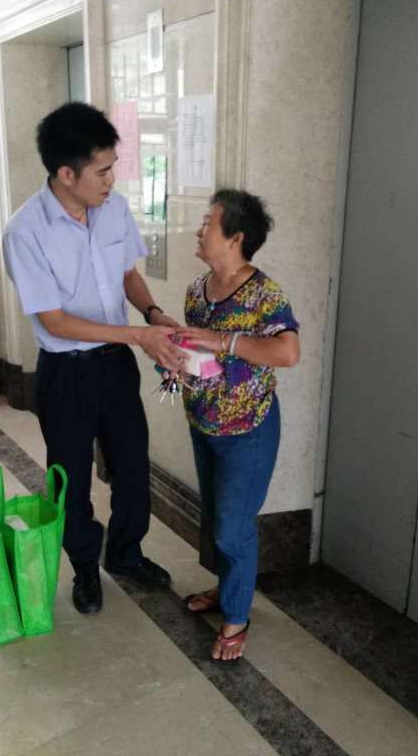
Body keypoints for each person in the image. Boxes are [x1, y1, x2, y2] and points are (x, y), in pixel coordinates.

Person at [3, 102, 185, 616]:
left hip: (116, 366)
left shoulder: (115, 208)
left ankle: (126, 554)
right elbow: (55, 320)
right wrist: (138, 334)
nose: (111, 180)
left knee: (132, 467)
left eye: (112, 168)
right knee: (71, 477)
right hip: (66, 373)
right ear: (67, 173)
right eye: (102, 171)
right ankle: (84, 565)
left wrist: (152, 313)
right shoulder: (25, 232)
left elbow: (127, 274)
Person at [178, 189, 300, 661]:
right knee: (216, 518)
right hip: (203, 423)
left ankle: (236, 616)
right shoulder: (197, 290)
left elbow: (287, 352)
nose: (199, 230)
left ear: (236, 238)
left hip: (248, 430)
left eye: (208, 223)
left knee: (233, 528)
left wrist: (224, 341)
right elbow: (199, 353)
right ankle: (226, 588)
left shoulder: (264, 294)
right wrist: (177, 362)